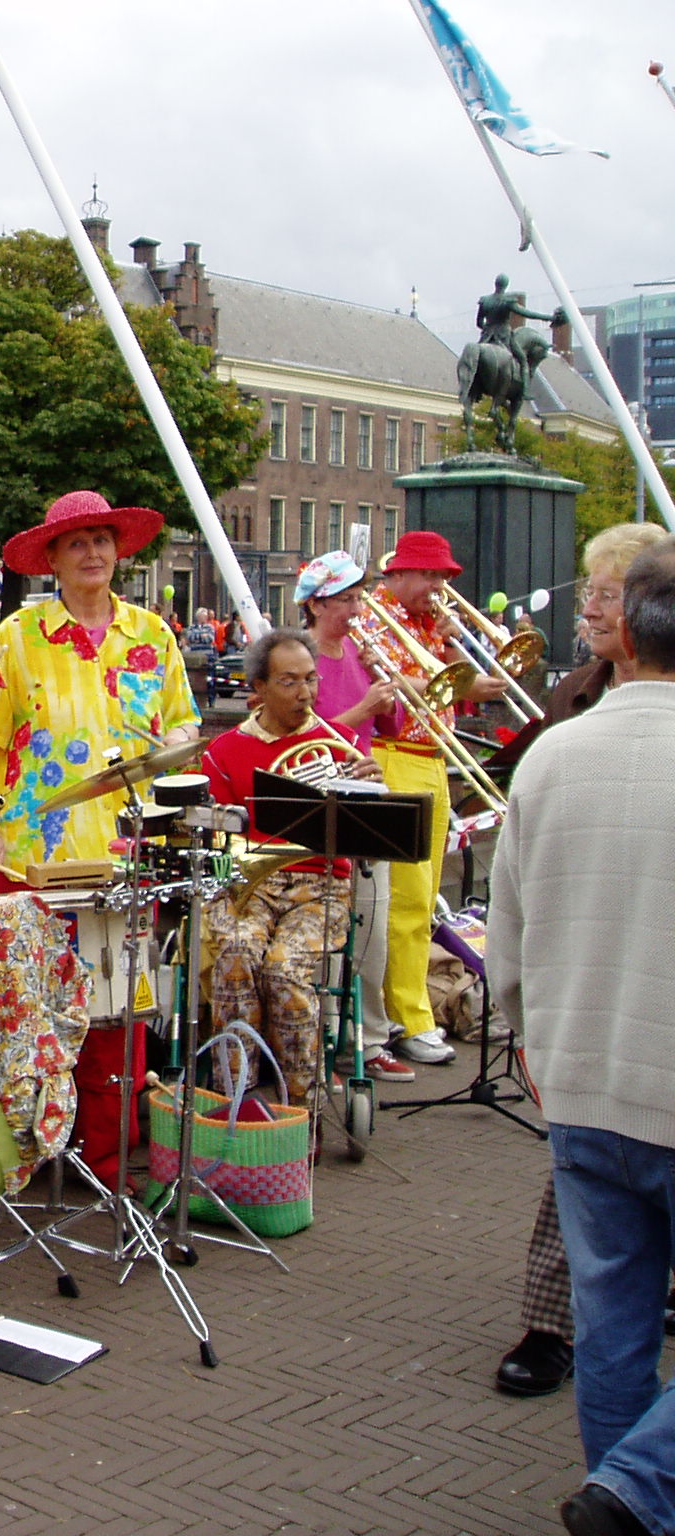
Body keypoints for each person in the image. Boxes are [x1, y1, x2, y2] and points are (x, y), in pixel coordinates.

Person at [491, 535, 675, 1536]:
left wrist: (540, 1048)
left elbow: (507, 942)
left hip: (580, 1087)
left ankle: (620, 1493)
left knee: (611, 1332)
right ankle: (636, 1489)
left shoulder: (550, 755)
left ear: (628, 635)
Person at [0, 489, 199, 1184]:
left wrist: (174, 747)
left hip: (125, 859)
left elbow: (184, 726)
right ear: (53, 559)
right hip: (34, 859)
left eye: (103, 540)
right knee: (14, 1015)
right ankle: (0, 1155)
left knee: (117, 1021)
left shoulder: (153, 636)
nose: (93, 552)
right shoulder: (19, 637)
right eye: (77, 542)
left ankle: (106, 1159)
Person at [199, 629, 378, 1109]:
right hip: (251, 885)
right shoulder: (224, 752)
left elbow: (368, 845)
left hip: (320, 885)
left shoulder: (341, 744)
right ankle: (236, 1098)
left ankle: (302, 1104)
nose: (306, 693)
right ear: (258, 687)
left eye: (311, 679)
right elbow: (216, 840)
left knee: (284, 969)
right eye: (289, 681)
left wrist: (372, 797)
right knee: (236, 955)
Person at [353, 529, 509, 1067]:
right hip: (395, 756)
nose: (438, 586)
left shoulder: (428, 624)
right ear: (397, 573)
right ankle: (407, 1017)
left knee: (422, 899)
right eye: (428, 575)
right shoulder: (373, 616)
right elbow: (393, 681)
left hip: (433, 760)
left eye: (443, 576)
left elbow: (454, 691)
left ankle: (409, 1007)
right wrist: (458, 681)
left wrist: (451, 645)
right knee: (405, 898)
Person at [295, 551, 407, 1084]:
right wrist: (362, 710)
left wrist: (389, 691)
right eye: (347, 599)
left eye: (360, 597)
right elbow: (295, 733)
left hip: (363, 792)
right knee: (322, 933)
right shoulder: (298, 660)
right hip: (316, 795)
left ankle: (369, 1038)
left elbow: (392, 727)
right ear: (317, 604)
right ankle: (319, 1042)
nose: (359, 609)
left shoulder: (363, 654)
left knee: (373, 927)